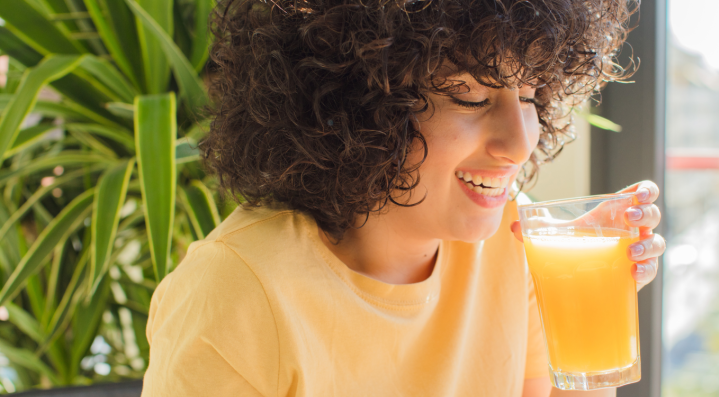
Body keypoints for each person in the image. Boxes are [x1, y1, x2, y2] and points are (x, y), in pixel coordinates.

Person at [140, 0, 666, 395]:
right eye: (471, 97)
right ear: (362, 104)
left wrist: (587, 314)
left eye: (529, 96)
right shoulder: (238, 293)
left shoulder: (517, 245)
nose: (520, 142)